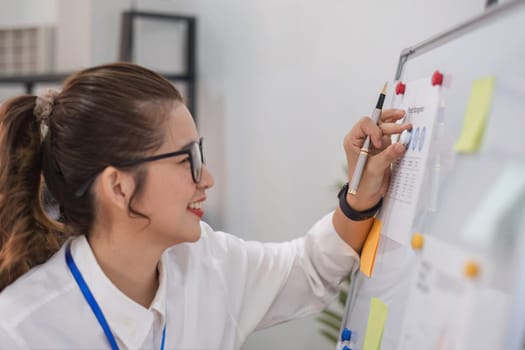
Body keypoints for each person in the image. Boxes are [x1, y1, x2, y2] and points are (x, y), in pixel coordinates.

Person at [0, 62, 410, 349]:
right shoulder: (20, 332)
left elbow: (308, 269)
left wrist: (360, 196)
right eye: (187, 160)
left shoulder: (205, 263)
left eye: (201, 152)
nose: (207, 178)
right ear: (119, 187)